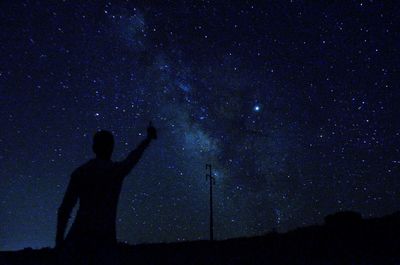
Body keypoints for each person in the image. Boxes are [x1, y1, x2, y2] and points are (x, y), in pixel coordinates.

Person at [55, 122, 157, 264]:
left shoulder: (81, 172)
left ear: (94, 148)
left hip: (78, 239)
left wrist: (59, 242)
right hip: (104, 240)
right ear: (112, 148)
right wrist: (148, 139)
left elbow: (65, 209)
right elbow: (133, 157)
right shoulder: (116, 172)